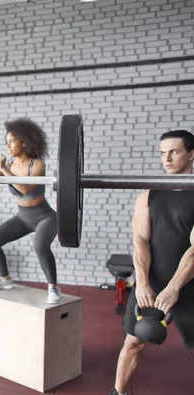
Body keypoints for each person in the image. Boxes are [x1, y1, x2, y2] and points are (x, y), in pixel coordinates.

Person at [110, 129, 194, 395]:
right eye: (162, 153)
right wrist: (143, 283)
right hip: (153, 282)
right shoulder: (149, 195)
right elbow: (140, 241)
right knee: (133, 342)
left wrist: (174, 288)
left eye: (174, 152)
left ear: (192, 155)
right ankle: (118, 394)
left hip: (189, 284)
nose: (166, 158)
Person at [0, 118, 62, 304]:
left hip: (45, 217)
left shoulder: (37, 165)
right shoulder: (7, 166)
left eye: (11, 141)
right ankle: (5, 279)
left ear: (24, 142)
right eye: (6, 141)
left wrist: (3, 170)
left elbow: (26, 189)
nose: (7, 146)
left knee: (40, 245)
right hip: (23, 218)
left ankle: (53, 287)